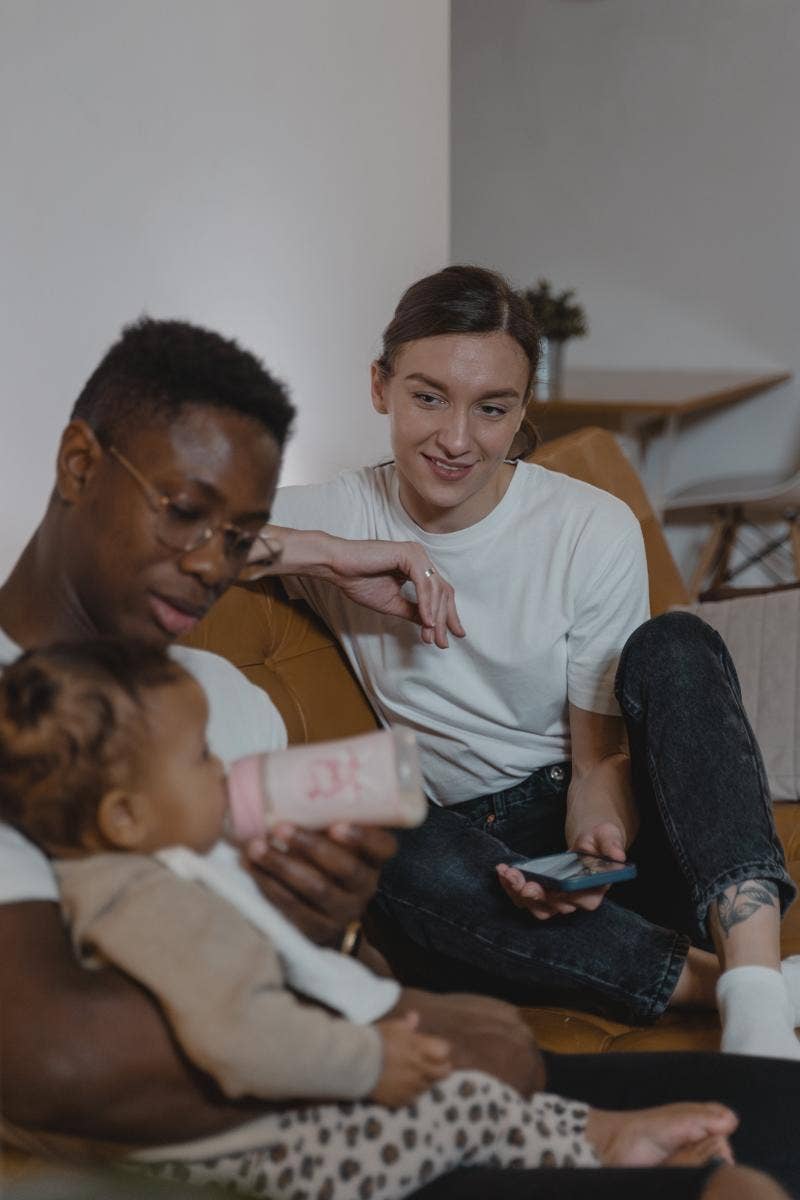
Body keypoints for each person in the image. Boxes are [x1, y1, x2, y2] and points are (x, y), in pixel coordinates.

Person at [0, 314, 796, 1200]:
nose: (206, 564)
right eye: (186, 514)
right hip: (310, 1134)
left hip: (409, 1091)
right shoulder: (26, 720)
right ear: (78, 466)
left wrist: (335, 927)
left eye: (236, 536)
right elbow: (56, 1053)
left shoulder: (214, 692)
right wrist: (408, 1017)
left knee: (773, 1123)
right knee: (740, 1187)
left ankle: (750, 992)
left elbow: (316, 957)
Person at [268, 264, 800, 1065]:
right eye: (427, 396)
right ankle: (734, 984)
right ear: (379, 386)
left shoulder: (588, 525)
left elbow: (595, 758)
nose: (456, 439)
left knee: (675, 643)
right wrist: (332, 553)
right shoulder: (341, 513)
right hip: (469, 869)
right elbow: (168, 533)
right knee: (381, 838)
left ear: (523, 409)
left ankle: (756, 1002)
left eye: (492, 409)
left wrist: (597, 832)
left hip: (618, 836)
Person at [0, 638, 751, 1198]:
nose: (223, 770)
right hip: (274, 1155)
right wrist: (368, 1059)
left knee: (467, 1101)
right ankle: (605, 1150)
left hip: (277, 1108)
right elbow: (235, 1036)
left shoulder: (123, 877)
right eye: (200, 758)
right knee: (450, 1107)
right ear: (125, 815)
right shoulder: (149, 902)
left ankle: (604, 1137)